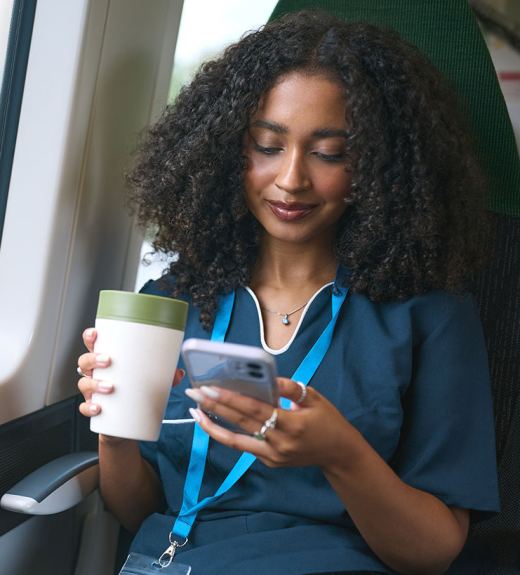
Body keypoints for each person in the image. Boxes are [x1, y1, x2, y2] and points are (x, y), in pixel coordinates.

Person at [77, 10, 500, 575]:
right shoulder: (173, 298)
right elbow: (141, 511)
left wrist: (340, 455)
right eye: (268, 146)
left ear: (377, 167)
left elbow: (433, 552)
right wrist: (115, 432)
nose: (292, 179)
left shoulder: (429, 314)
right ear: (230, 151)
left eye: (330, 153)